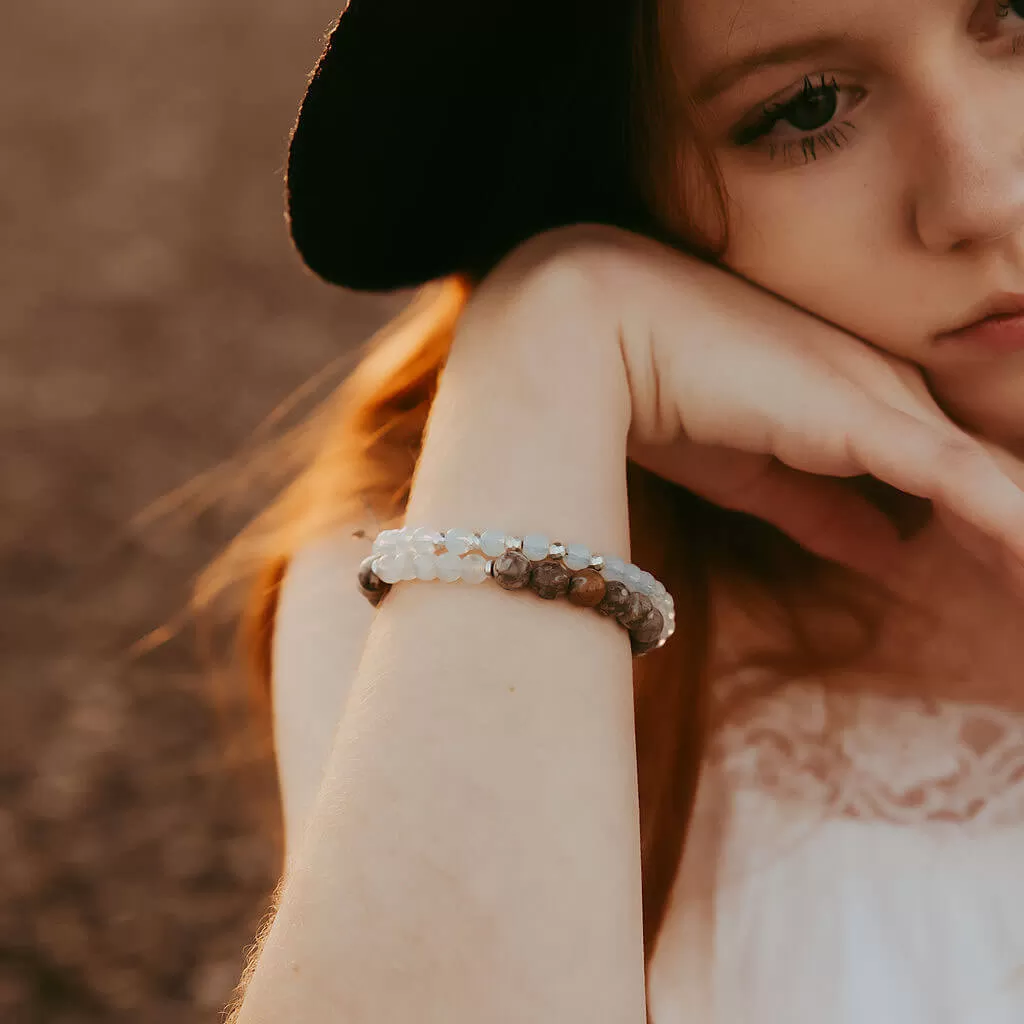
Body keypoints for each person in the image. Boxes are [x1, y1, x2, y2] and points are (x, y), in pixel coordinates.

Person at [207, 0, 1024, 1020]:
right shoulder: (449, 544)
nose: (988, 192)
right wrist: (553, 330)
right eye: (804, 108)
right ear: (631, 177)